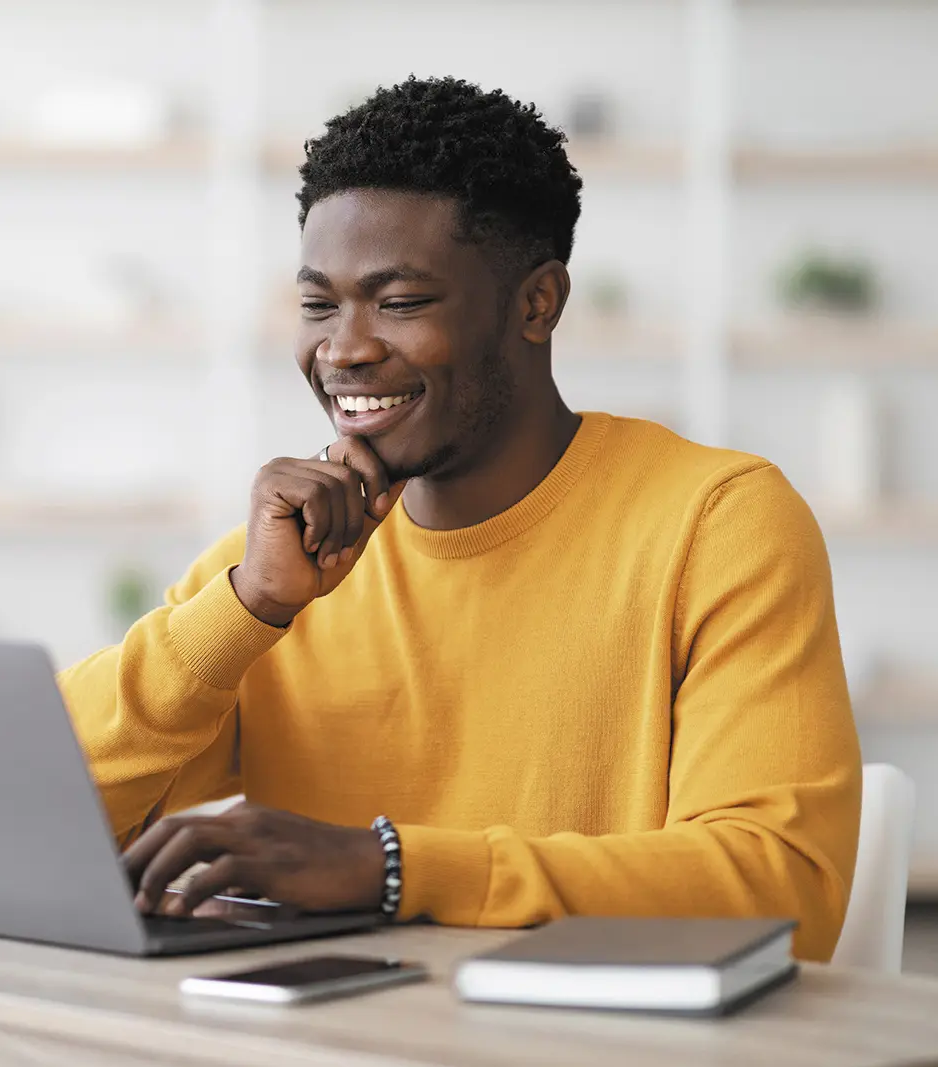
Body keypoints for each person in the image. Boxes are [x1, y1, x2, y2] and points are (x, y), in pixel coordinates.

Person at [58, 76, 861, 962]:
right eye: (319, 303)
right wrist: (245, 608)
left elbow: (782, 886)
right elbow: (30, 812)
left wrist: (390, 867)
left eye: (399, 302)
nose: (344, 349)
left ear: (536, 303)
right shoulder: (275, 570)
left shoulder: (717, 523)